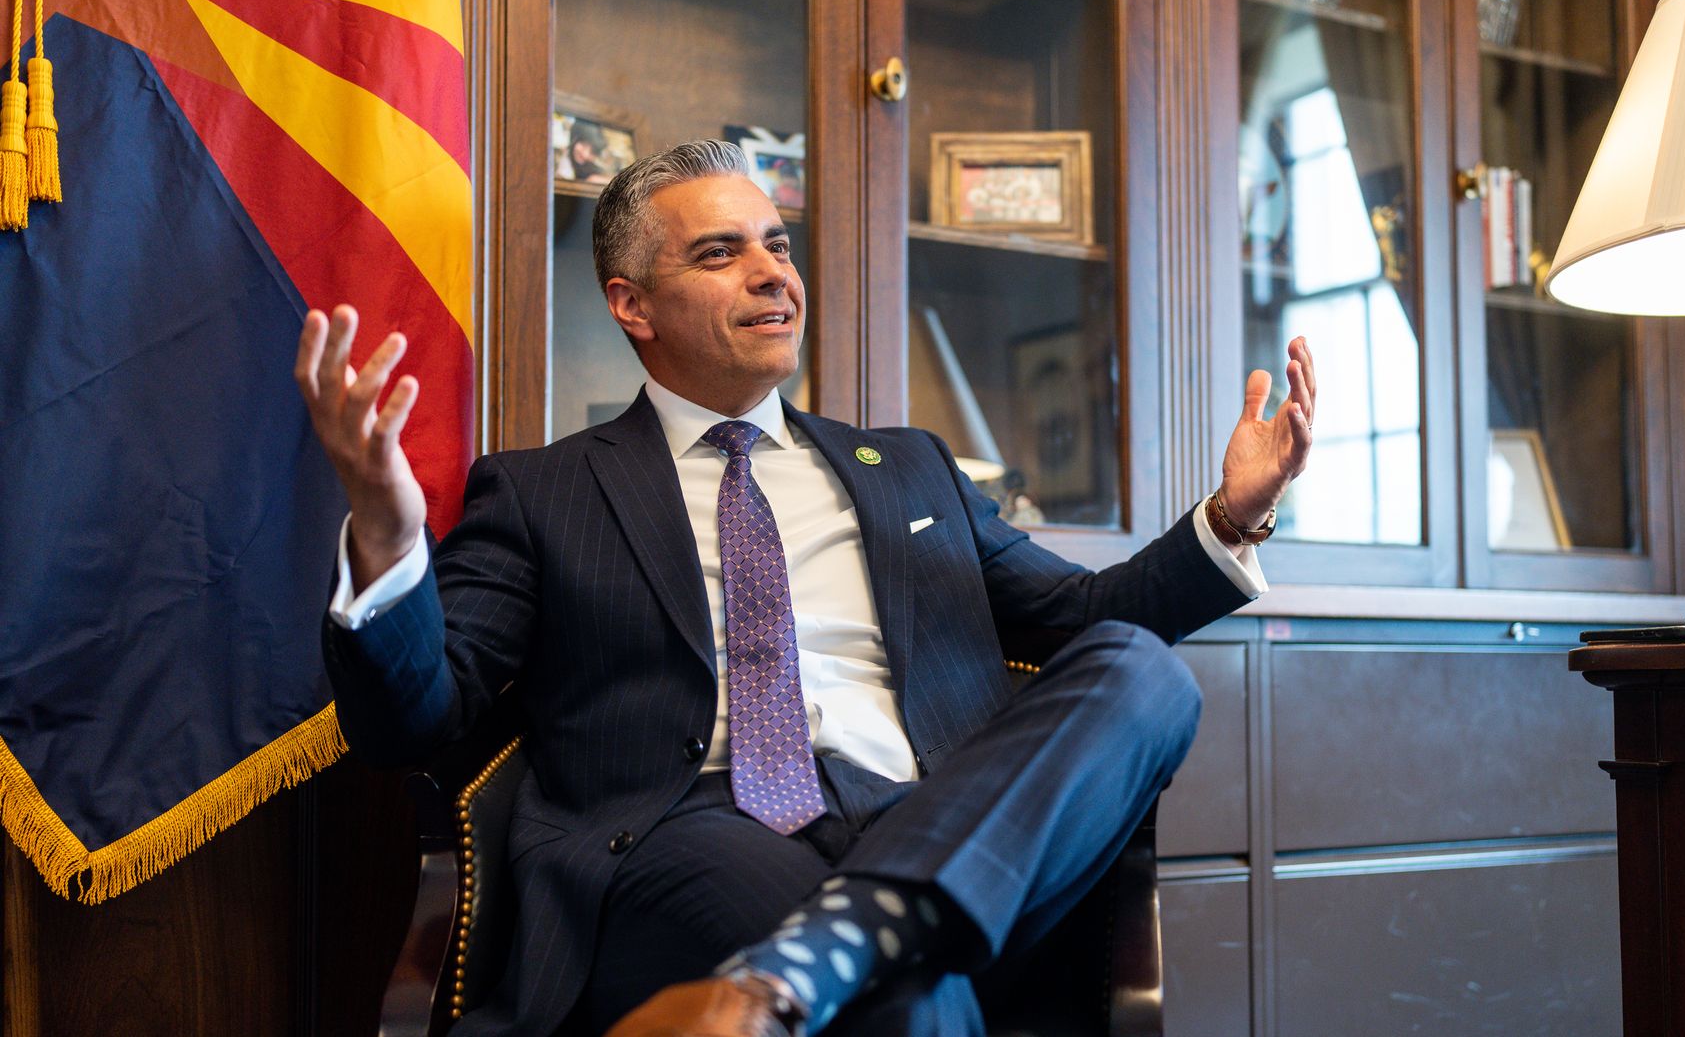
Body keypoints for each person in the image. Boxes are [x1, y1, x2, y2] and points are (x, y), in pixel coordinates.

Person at [297, 140, 1316, 1037]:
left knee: (1137, 670)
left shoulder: (911, 468)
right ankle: (845, 946)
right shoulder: (543, 491)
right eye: (719, 253)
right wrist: (388, 532)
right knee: (906, 992)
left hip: (939, 815)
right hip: (694, 832)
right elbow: (415, 723)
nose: (771, 274)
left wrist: (1230, 516)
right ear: (631, 304)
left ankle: (799, 968)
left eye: (777, 245)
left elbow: (1089, 620)